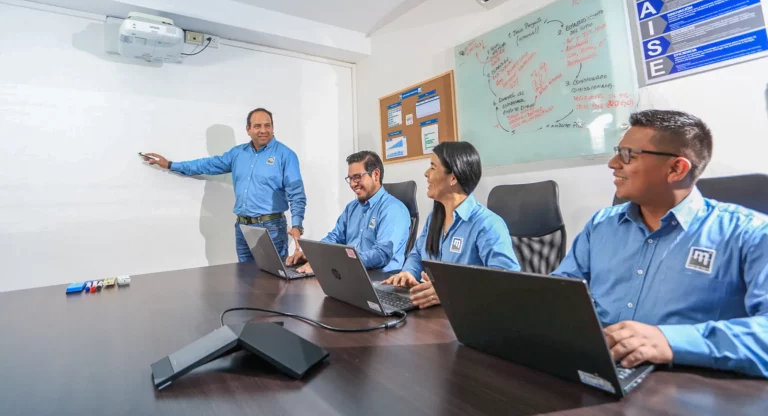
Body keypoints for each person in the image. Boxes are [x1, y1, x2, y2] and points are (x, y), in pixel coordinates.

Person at [553, 109, 768, 378]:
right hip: (599, 371)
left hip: (686, 384)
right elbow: (560, 294)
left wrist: (669, 340)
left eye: (628, 154)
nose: (613, 163)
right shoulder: (601, 225)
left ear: (676, 168)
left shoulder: (751, 234)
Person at [142, 108, 306, 262]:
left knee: (273, 281)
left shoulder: (285, 155)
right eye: (257, 126)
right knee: (246, 280)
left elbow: (296, 194)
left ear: (273, 127)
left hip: (272, 229)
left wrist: (297, 226)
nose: (263, 130)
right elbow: (206, 165)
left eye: (267, 125)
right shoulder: (237, 154)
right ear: (248, 129)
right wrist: (170, 164)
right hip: (243, 228)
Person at [382, 141, 520, 308]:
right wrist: (408, 273)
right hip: (432, 312)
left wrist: (450, 292)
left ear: (453, 177)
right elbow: (417, 254)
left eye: (433, 167)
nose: (426, 173)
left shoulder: (487, 224)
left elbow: (508, 282)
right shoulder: (434, 218)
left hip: (469, 315)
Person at [286, 151, 410, 274]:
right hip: (349, 274)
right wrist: (314, 255)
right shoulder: (352, 207)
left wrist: (330, 262)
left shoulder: (393, 209)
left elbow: (381, 255)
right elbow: (335, 238)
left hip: (379, 280)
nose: (352, 184)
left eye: (357, 177)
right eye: (350, 179)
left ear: (375, 175)